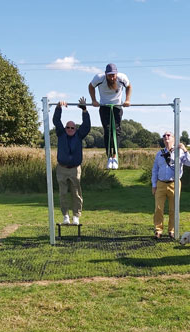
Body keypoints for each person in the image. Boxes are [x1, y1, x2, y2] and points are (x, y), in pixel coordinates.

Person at [53, 97, 91, 225]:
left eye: (72, 128)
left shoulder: (79, 136)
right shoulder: (61, 134)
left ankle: (76, 216)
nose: (69, 129)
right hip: (61, 169)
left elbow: (86, 126)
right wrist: (58, 107)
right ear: (65, 128)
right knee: (63, 193)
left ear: (75, 129)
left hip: (75, 169)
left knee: (76, 193)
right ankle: (65, 216)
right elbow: (56, 120)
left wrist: (84, 110)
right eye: (68, 127)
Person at [88, 63, 132, 170]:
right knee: (107, 131)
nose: (112, 77)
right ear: (105, 74)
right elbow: (91, 86)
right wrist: (94, 100)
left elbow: (129, 86)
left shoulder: (122, 78)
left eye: (114, 75)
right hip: (104, 107)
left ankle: (115, 157)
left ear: (116, 74)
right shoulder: (99, 78)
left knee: (116, 131)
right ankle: (109, 158)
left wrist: (127, 99)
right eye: (110, 75)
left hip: (117, 106)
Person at [151, 132, 190, 239]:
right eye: (164, 136)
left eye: (168, 135)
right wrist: (154, 184)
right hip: (160, 183)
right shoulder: (159, 153)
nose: (166, 137)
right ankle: (158, 230)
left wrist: (185, 149)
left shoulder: (180, 152)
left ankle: (172, 230)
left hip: (174, 183)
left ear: (174, 139)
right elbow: (155, 170)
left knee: (173, 209)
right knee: (158, 208)